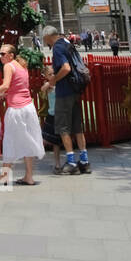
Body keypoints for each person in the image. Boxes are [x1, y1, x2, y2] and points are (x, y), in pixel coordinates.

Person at [0, 41, 44, 186]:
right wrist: (6, 94)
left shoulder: (8, 66)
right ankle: (29, 176)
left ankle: (4, 176)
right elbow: (19, 87)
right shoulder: (22, 66)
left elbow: (6, 84)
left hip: (16, 110)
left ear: (11, 55)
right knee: (28, 140)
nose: (0, 56)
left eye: (3, 54)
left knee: (9, 141)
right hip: (29, 108)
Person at [41, 25, 90, 175]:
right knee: (77, 127)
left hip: (64, 92)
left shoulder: (57, 47)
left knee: (63, 128)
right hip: (75, 91)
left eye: (45, 40)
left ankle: (71, 162)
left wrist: (53, 80)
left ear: (48, 36)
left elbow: (66, 68)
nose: (46, 43)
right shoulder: (68, 43)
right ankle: (84, 161)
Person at [39, 86, 62, 174]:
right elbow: (42, 90)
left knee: (57, 142)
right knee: (45, 138)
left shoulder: (61, 83)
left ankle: (57, 163)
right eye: (49, 74)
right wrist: (49, 84)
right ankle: (36, 154)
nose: (52, 75)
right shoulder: (48, 86)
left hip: (61, 115)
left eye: (53, 73)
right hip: (51, 115)